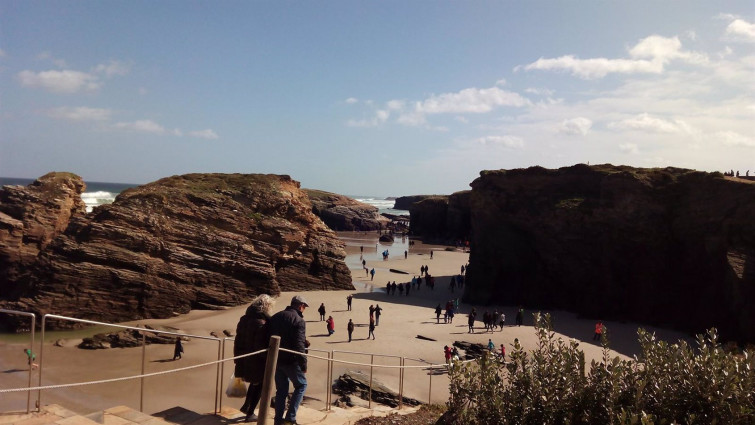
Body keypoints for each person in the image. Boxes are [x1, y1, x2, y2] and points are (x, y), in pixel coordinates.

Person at [269, 295, 309, 425]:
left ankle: (278, 421)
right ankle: (290, 419)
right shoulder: (299, 320)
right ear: (299, 306)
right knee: (301, 385)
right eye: (304, 307)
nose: (304, 309)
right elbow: (298, 346)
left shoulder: (276, 316)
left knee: (281, 391)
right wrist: (303, 364)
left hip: (275, 359)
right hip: (291, 360)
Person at [235, 294, 274, 422]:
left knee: (254, 382)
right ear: (266, 306)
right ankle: (250, 413)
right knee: (260, 384)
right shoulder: (262, 322)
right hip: (256, 360)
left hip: (243, 356)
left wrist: (237, 358)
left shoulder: (244, 319)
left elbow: (238, 340)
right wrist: (269, 359)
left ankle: (246, 406)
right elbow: (259, 346)